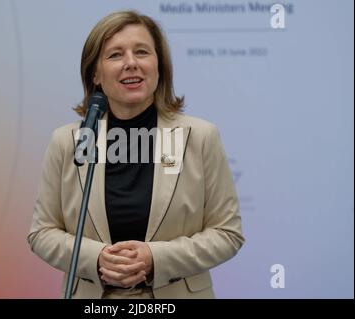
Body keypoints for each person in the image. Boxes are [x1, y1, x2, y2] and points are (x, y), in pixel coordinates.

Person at [27, 10, 244, 299]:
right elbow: (41, 233)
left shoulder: (201, 137)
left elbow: (227, 233)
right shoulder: (67, 142)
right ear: (95, 74)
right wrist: (97, 258)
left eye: (141, 52)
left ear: (159, 66)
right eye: (115, 55)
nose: (131, 63)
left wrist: (155, 258)